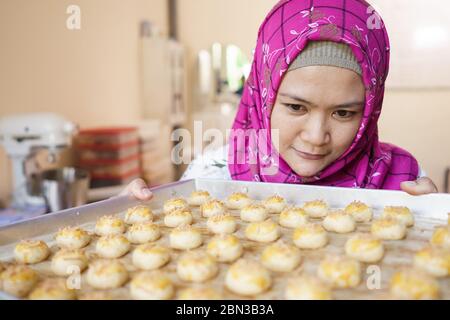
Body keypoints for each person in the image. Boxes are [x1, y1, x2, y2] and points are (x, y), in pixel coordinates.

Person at [123, 0, 437, 201]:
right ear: (263, 95)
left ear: (370, 110)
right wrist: (131, 213)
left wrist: (434, 223)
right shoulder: (212, 177)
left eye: (343, 113)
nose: (316, 137)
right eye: (296, 107)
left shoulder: (403, 183)